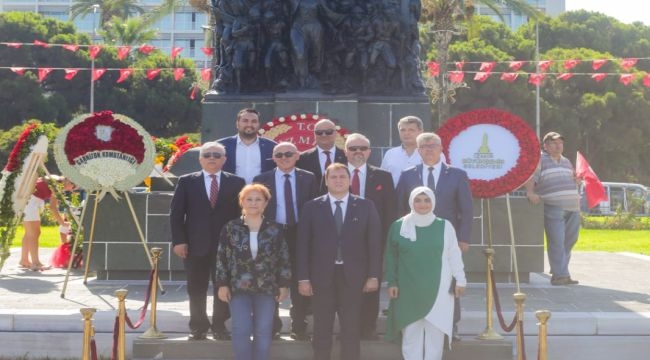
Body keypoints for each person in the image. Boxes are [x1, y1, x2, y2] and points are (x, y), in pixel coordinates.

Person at [297, 163, 382, 360]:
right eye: (333, 177)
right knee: (321, 327)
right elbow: (303, 245)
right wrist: (303, 278)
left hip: (354, 277)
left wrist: (373, 275)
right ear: (326, 181)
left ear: (349, 179)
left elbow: (374, 244)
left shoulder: (365, 205)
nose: (338, 180)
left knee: (351, 327)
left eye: (342, 176)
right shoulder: (312, 207)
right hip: (321, 277)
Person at [395, 132, 473, 341]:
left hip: (447, 239)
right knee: (416, 280)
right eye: (424, 146)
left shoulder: (457, 174)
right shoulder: (408, 174)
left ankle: (451, 325)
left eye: (433, 146)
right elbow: (400, 207)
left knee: (449, 280)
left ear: (441, 149)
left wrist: (463, 237)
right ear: (418, 151)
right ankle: (416, 319)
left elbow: (466, 209)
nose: (429, 149)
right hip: (415, 239)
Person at [170, 141, 246, 341]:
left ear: (224, 159)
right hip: (195, 246)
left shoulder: (237, 182)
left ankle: (220, 326)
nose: (212, 158)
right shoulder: (187, 181)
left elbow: (242, 215)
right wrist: (179, 241)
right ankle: (198, 326)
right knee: (196, 286)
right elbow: (176, 214)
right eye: (208, 155)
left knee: (224, 286)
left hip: (226, 247)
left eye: (217, 155)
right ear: (200, 159)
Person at [384, 186, 467, 360]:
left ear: (433, 202)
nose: (423, 204)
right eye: (418, 200)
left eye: (427, 200)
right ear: (411, 202)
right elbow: (391, 257)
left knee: (435, 338)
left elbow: (454, 254)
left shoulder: (445, 226)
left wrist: (460, 280)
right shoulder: (399, 226)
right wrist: (391, 282)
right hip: (408, 290)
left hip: (439, 290)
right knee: (410, 337)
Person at [216, 183, 291, 360]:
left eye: (258, 199)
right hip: (238, 288)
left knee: (263, 331)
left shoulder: (276, 229)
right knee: (240, 329)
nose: (254, 203)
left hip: (267, 288)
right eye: (249, 199)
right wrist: (222, 284)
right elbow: (221, 258)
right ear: (242, 202)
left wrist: (284, 285)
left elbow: (284, 258)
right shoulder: (230, 228)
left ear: (266, 203)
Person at [253, 142, 319, 341]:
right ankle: (272, 326)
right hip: (272, 233)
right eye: (279, 154)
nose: (284, 157)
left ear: (297, 155)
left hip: (300, 233)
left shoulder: (308, 178)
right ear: (273, 158)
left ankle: (299, 326)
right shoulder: (261, 179)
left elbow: (315, 206)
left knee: (301, 278)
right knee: (271, 279)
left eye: (289, 153)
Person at [343, 133, 396, 339]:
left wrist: (387, 241)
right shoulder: (335, 173)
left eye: (362, 148)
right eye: (353, 148)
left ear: (369, 152)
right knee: (345, 286)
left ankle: (368, 327)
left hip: (373, 241)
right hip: (342, 241)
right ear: (345, 151)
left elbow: (390, 210)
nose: (358, 152)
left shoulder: (383, 176)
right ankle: (349, 328)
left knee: (371, 284)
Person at [524, 131, 581, 286]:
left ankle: (560, 270)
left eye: (560, 143)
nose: (558, 146)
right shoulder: (539, 160)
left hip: (573, 207)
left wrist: (577, 180)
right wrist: (530, 192)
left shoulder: (567, 161)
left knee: (570, 240)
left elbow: (573, 181)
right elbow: (530, 177)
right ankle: (560, 275)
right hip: (553, 207)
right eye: (554, 143)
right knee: (557, 241)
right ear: (546, 146)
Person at [20, 176, 75, 271]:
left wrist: (62, 222)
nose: (71, 190)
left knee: (31, 233)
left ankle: (24, 260)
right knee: (33, 233)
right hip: (29, 203)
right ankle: (35, 263)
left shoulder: (55, 179)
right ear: (69, 182)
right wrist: (62, 223)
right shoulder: (57, 184)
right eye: (73, 187)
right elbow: (53, 207)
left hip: (30, 202)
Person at [218, 108, 278, 184]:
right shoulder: (221, 146)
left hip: (261, 193)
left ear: (258, 125)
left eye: (254, 121)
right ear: (237, 124)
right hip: (231, 193)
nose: (249, 124)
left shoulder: (272, 147)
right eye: (245, 121)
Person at [296, 119, 347, 194]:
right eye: (319, 132)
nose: (324, 135)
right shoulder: (302, 158)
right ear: (314, 134)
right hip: (312, 203)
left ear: (336, 133)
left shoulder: (346, 156)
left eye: (328, 132)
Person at [380, 116, 424, 187]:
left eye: (411, 130)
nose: (406, 133)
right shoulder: (390, 154)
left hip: (421, 197)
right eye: (403, 130)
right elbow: (381, 179)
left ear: (421, 132)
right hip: (394, 197)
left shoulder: (432, 153)